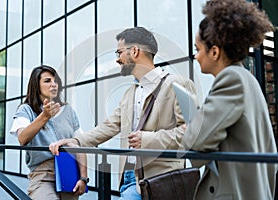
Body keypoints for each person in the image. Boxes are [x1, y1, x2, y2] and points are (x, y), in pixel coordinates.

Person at [50, 27, 197, 199]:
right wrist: (75, 141)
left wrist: (147, 139)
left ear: (134, 51)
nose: (117, 59)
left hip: (161, 181)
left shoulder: (177, 84)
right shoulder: (130, 94)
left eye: (119, 52)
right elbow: (108, 127)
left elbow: (191, 132)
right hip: (129, 179)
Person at [182, 0, 277, 199]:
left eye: (198, 49)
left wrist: (193, 126)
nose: (196, 56)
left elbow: (195, 144)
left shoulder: (230, 79)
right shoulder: (246, 78)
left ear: (214, 52)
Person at [10, 65, 88, 200]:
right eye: (47, 81)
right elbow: (22, 138)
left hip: (68, 171)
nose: (54, 85)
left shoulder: (68, 110)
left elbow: (80, 144)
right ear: (36, 85)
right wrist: (44, 116)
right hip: (42, 174)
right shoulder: (26, 109)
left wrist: (83, 178)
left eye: (55, 81)